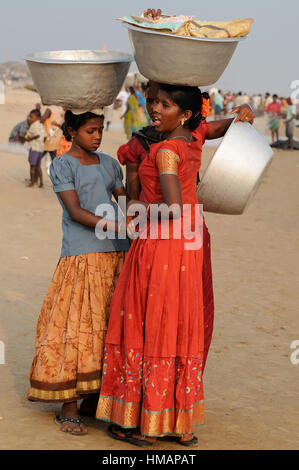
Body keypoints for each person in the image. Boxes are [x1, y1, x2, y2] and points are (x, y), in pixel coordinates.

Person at [96, 84, 254, 446]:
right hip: (189, 244)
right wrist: (242, 111)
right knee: (181, 322)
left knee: (150, 322)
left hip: (162, 245)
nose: (154, 108)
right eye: (152, 101)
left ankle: (145, 426)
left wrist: (132, 212)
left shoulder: (165, 149)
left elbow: (171, 207)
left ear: (183, 113)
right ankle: (179, 423)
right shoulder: (192, 137)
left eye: (163, 104)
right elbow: (221, 127)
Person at [27, 111, 130, 435]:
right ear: (72, 131)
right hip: (81, 255)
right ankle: (68, 405)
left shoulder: (109, 163)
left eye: (101, 130)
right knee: (76, 326)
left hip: (114, 255)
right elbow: (74, 211)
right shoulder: (63, 164)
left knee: (106, 327)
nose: (97, 136)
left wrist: (134, 214)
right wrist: (118, 224)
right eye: (90, 130)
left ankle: (92, 399)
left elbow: (125, 199)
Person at [24, 109, 45, 188]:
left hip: (34, 148)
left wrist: (29, 139)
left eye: (31, 117)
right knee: (38, 166)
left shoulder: (34, 125)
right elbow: (43, 136)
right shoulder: (41, 125)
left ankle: (32, 183)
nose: (30, 118)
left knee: (32, 166)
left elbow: (36, 135)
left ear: (38, 118)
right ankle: (41, 183)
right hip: (40, 149)